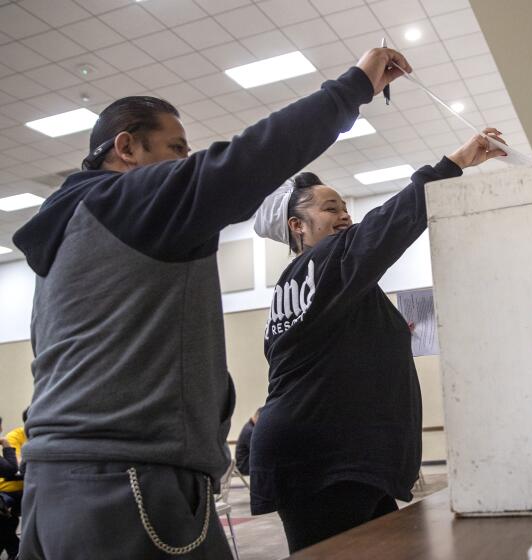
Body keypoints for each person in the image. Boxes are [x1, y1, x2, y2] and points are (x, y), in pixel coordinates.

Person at [11, 47, 413, 559]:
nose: (184, 163)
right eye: (176, 149)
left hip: (52, 484)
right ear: (127, 147)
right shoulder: (128, 199)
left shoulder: (64, 237)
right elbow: (248, 159)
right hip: (129, 481)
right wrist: (354, 87)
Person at [249, 128, 506, 552]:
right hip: (324, 458)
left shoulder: (298, 283)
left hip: (327, 453)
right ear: (298, 226)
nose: (346, 216)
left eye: (346, 207)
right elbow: (387, 227)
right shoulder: (325, 263)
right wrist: (454, 164)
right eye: (332, 208)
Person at [0, 417, 22, 559]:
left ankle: (16, 553)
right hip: (8, 489)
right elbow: (11, 469)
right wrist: (6, 444)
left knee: (8, 518)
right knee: (6, 518)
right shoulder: (15, 435)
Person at [235, 408, 261, 476]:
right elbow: (257, 450)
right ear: (257, 418)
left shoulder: (249, 427)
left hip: (243, 463)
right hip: (244, 465)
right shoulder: (250, 431)